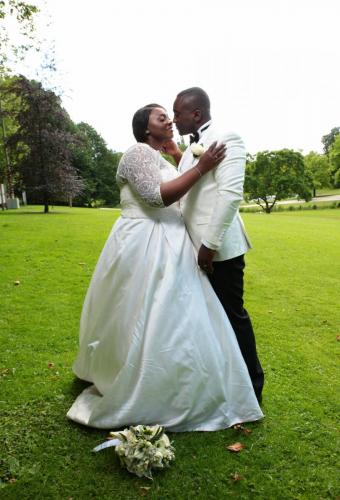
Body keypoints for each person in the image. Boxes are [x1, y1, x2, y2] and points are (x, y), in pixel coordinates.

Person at [67, 103, 263, 431]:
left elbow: (189, 190)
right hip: (145, 243)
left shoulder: (162, 154)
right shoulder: (137, 152)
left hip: (175, 243)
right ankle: (136, 376)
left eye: (171, 114)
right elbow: (157, 198)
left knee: (182, 318)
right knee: (141, 313)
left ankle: (186, 379)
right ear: (145, 128)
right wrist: (201, 167)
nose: (169, 120)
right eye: (162, 116)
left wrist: (178, 157)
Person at [171, 87, 264, 402]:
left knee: (232, 316)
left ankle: (253, 387)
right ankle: (223, 381)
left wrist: (209, 245)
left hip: (218, 250)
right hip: (193, 249)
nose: (173, 119)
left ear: (195, 114)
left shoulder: (228, 137)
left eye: (177, 113)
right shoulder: (190, 149)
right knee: (208, 320)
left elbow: (230, 196)